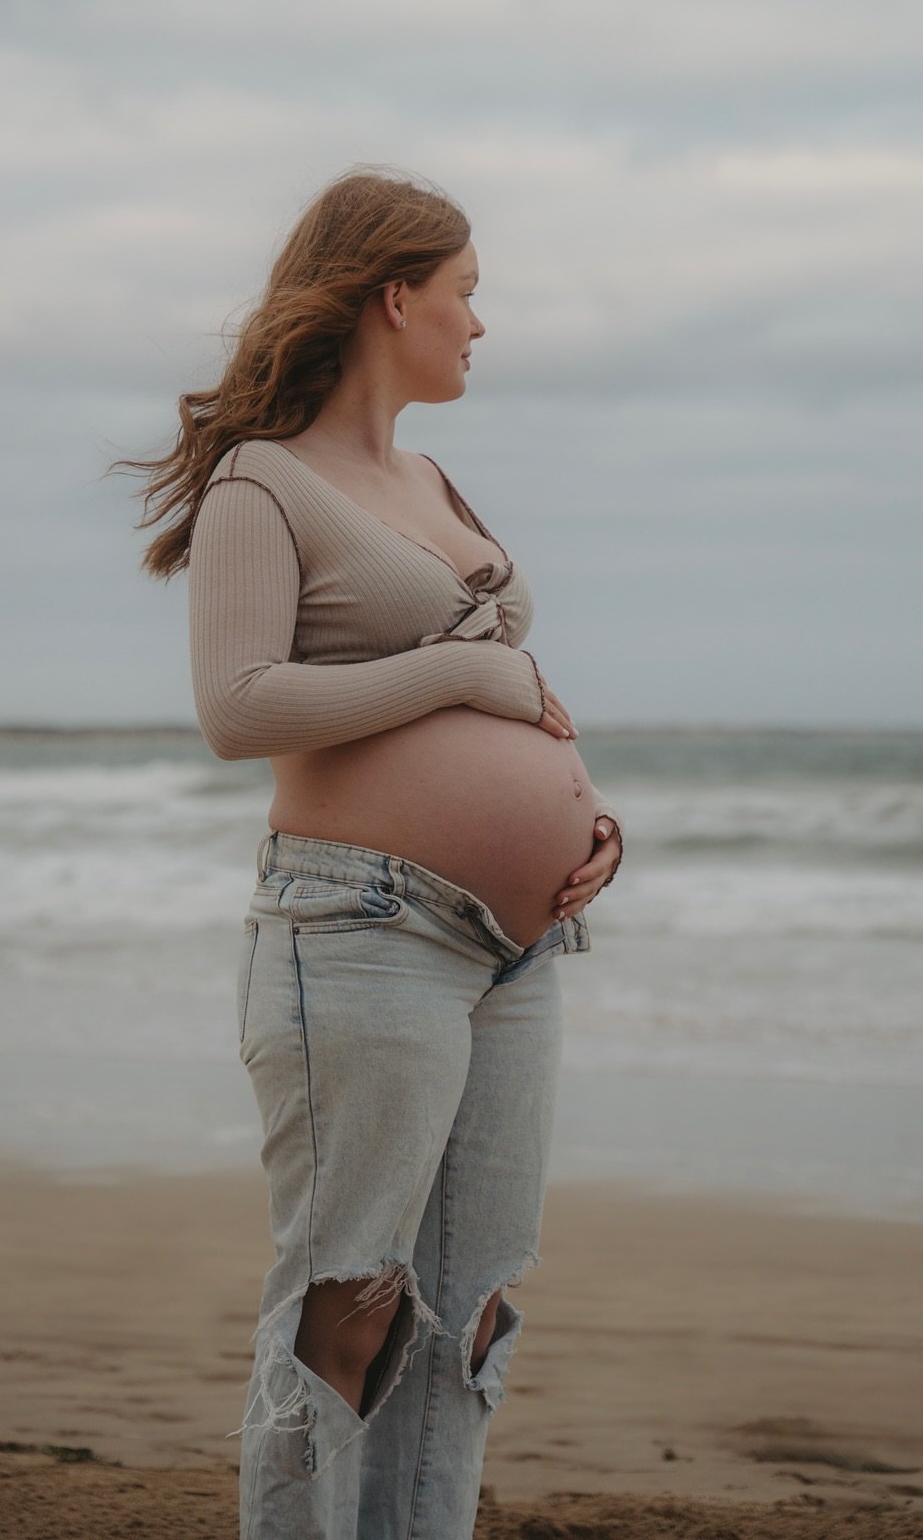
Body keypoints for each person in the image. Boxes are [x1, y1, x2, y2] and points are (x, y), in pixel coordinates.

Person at [118, 165, 623, 1538]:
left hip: (512, 950)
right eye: (466, 294)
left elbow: (509, 697)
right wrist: (466, 689)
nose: (478, 324)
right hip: (361, 933)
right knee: (346, 1307)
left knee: (467, 1317)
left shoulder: (432, 477)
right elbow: (243, 708)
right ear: (393, 293)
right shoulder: (261, 487)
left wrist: (585, 827)